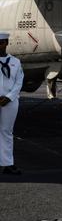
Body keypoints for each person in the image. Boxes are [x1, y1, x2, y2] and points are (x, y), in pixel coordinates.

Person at [0, 31, 24, 175]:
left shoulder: (15, 62)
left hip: (10, 101)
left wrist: (9, 97)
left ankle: (8, 164)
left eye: (1, 43)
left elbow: (19, 81)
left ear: (7, 43)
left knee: (6, 132)